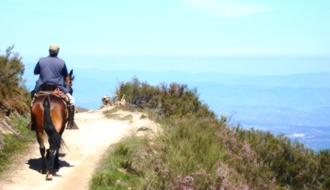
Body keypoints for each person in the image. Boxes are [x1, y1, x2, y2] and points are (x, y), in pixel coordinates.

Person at [29, 44, 78, 129]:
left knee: (33, 101)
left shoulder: (41, 60)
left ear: (49, 51)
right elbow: (66, 75)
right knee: (71, 100)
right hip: (57, 87)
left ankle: (33, 122)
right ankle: (71, 123)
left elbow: (35, 72)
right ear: (57, 51)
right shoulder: (62, 62)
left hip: (42, 86)